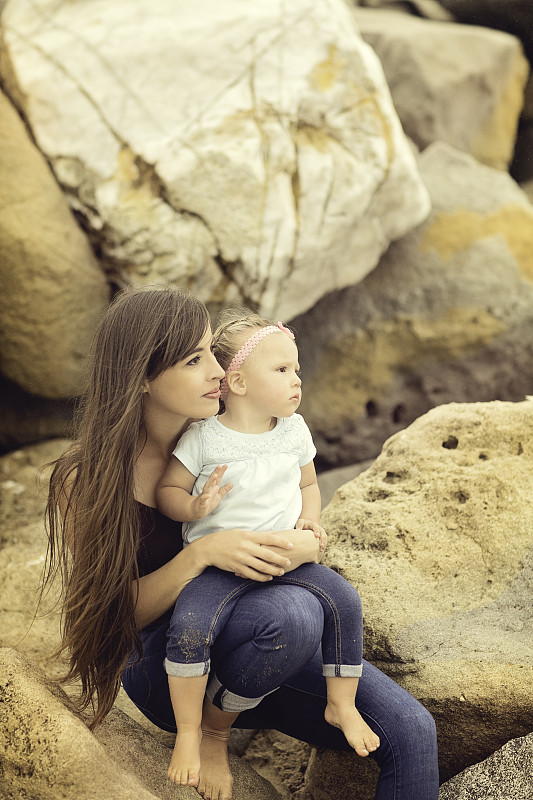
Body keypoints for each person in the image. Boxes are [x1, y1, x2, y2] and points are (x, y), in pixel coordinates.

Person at [44, 286, 439, 800]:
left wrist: (304, 542)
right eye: (194, 359)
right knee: (296, 615)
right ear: (141, 377)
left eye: (212, 350)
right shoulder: (86, 478)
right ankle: (210, 732)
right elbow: (108, 618)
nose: (217, 370)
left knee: (412, 730)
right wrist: (202, 553)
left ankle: (239, 710)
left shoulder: (236, 427)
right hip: (171, 660)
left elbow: (298, 500)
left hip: (266, 636)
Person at [155, 309, 381, 787]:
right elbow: (167, 493)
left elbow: (309, 484)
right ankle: (191, 732)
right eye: (281, 370)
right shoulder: (204, 438)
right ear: (236, 382)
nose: (297, 379)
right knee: (189, 629)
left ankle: (341, 704)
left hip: (283, 557)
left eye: (296, 369)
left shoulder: (294, 430)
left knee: (344, 601)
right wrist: (196, 508)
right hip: (216, 569)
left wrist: (310, 520)